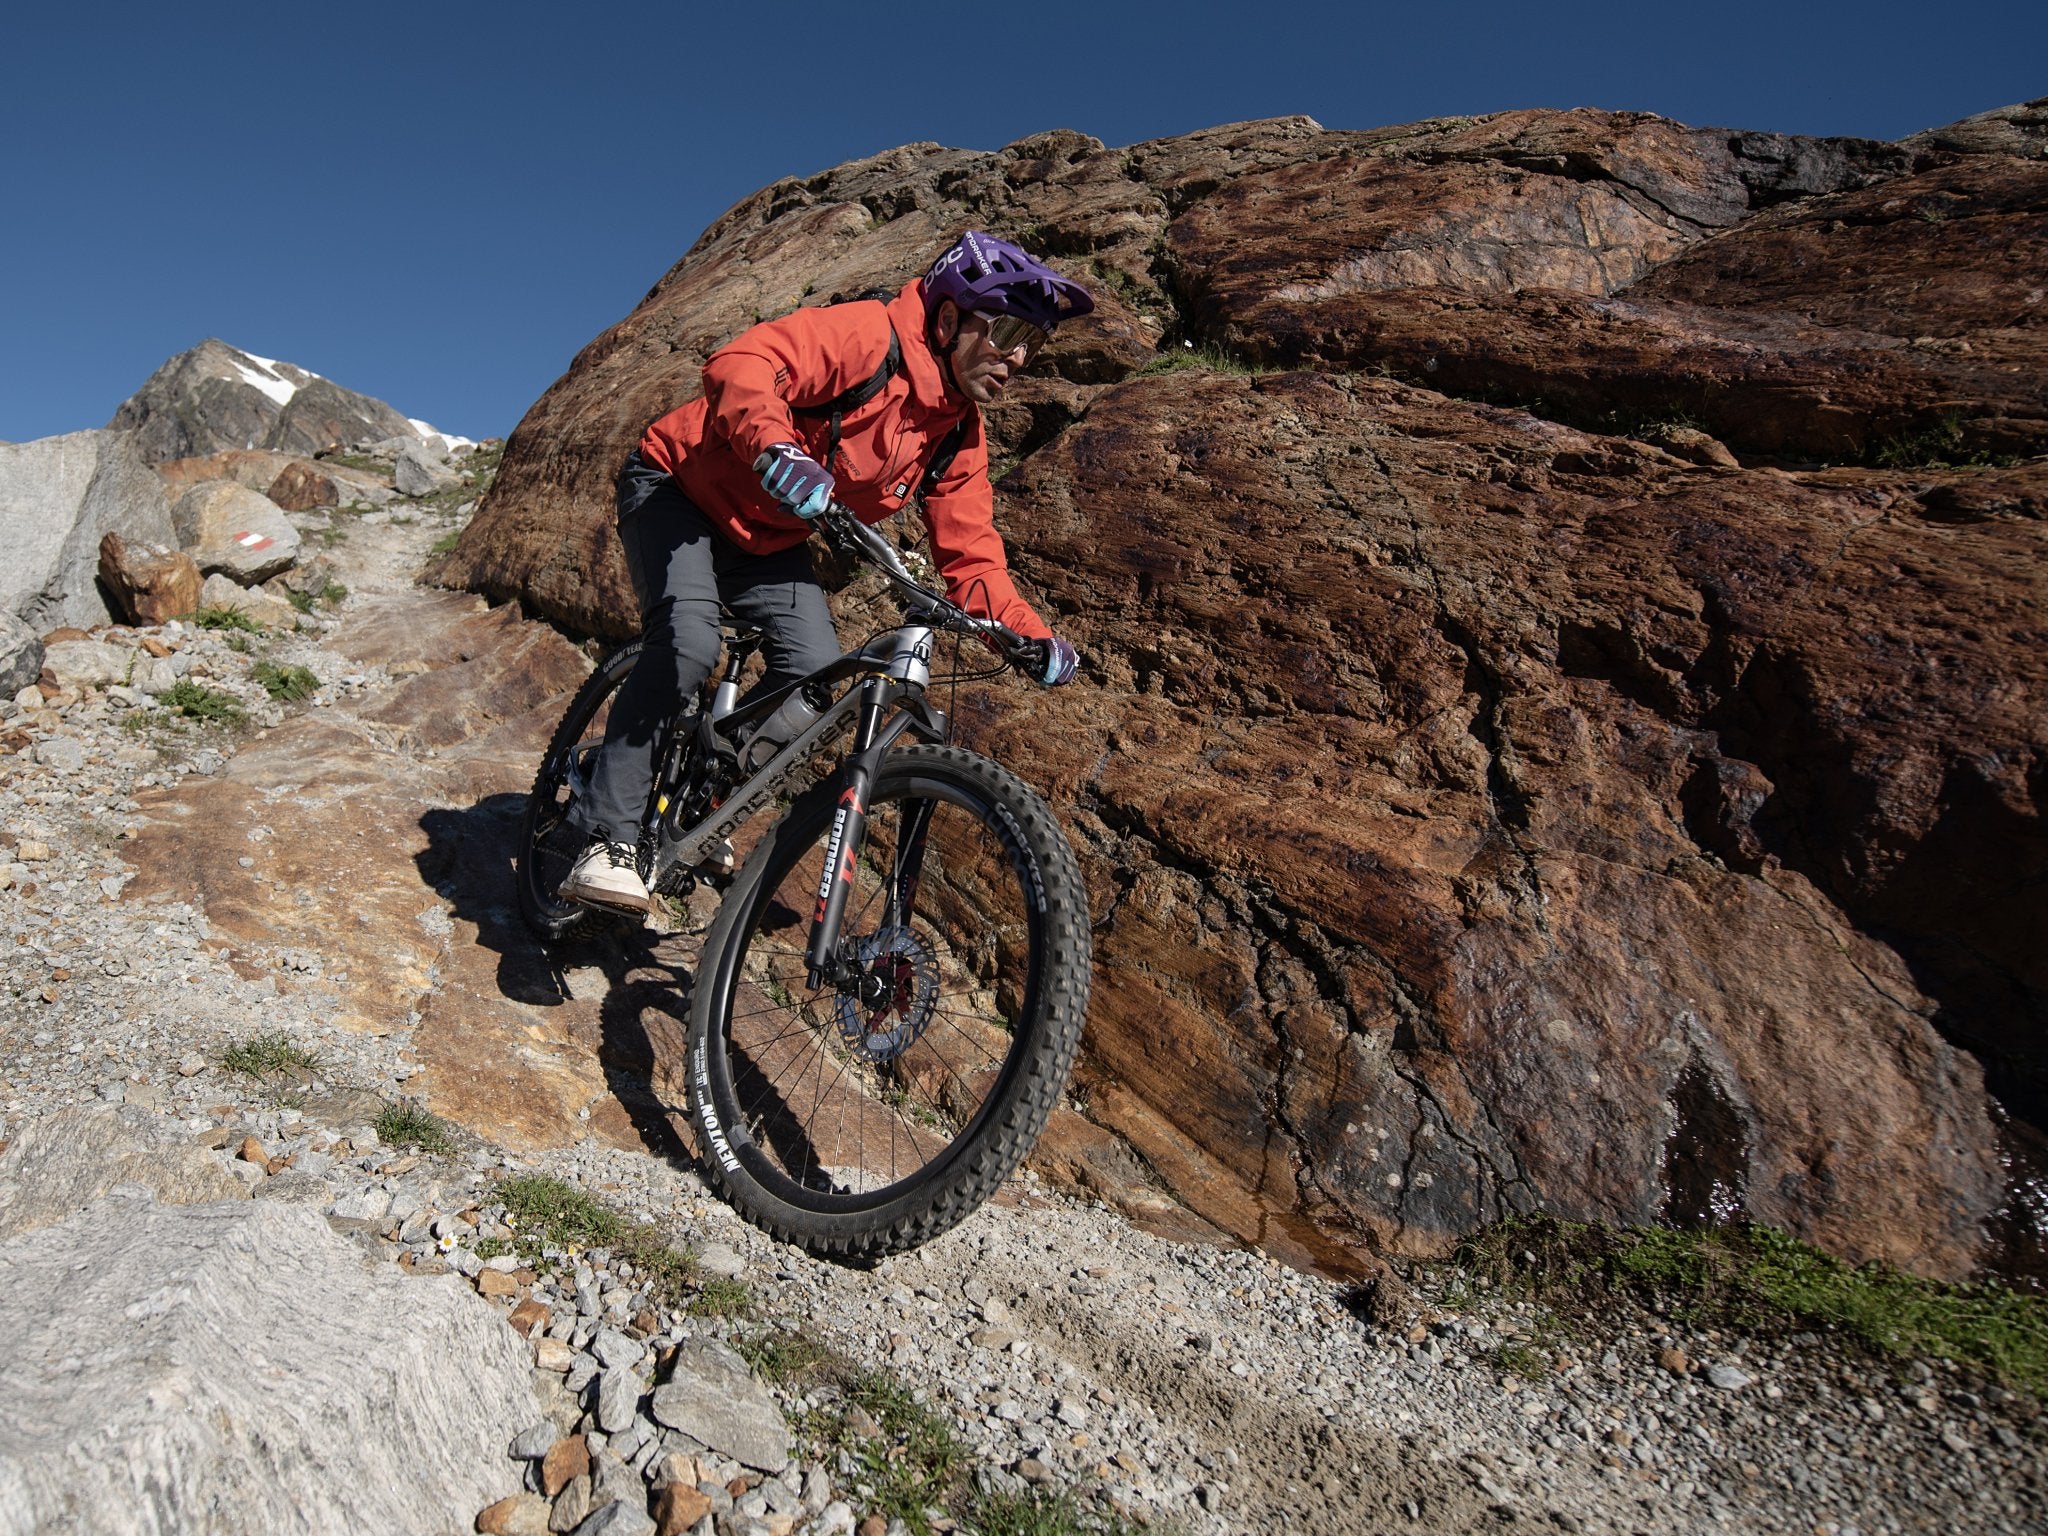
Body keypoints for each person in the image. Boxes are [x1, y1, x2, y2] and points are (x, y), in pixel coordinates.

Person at [559, 230, 1094, 912]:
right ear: (951, 318)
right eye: (1010, 331)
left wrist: (1026, 635)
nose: (1019, 357)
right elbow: (745, 362)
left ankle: (702, 798)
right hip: (677, 487)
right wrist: (776, 445)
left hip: (768, 535)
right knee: (689, 643)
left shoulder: (958, 432)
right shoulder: (869, 337)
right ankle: (605, 832)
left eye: (1035, 344)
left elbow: (973, 552)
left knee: (813, 674)